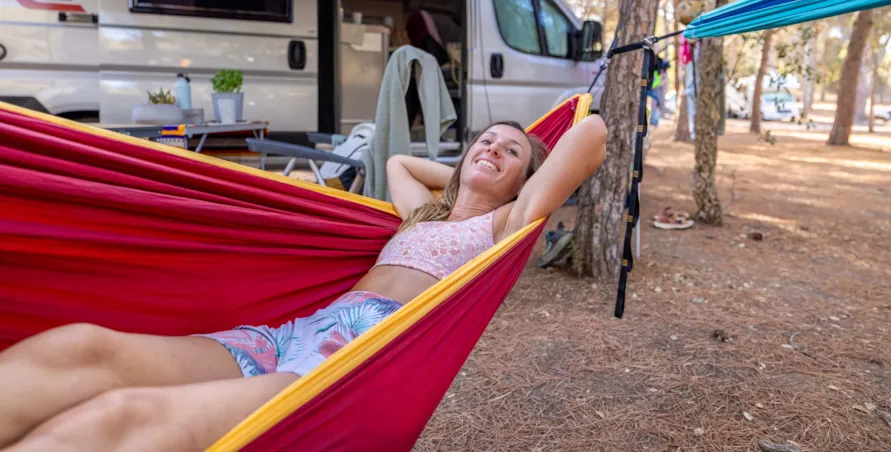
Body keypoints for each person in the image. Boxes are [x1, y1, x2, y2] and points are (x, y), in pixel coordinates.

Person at [0, 114, 608, 452]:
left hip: (354, 361)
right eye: (486, 141)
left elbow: (590, 139)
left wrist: (579, 109)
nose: (495, 150)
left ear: (525, 184)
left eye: (511, 154)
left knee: (124, 415)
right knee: (80, 346)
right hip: (295, 332)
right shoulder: (420, 214)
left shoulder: (503, 227)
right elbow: (397, 163)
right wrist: (464, 178)